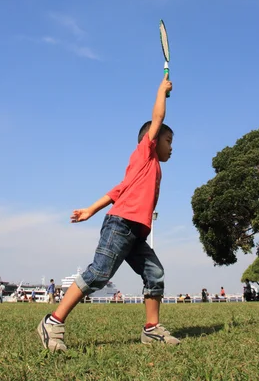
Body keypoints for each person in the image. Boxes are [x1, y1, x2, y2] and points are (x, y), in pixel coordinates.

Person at [37, 75, 179, 351]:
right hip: (120, 225)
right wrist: (161, 91)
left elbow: (118, 190)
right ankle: (52, 321)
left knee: (155, 273)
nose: (172, 146)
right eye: (168, 140)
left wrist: (90, 209)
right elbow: (158, 117)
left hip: (135, 232)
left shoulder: (148, 170)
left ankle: (151, 330)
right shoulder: (144, 154)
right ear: (151, 140)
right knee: (99, 274)